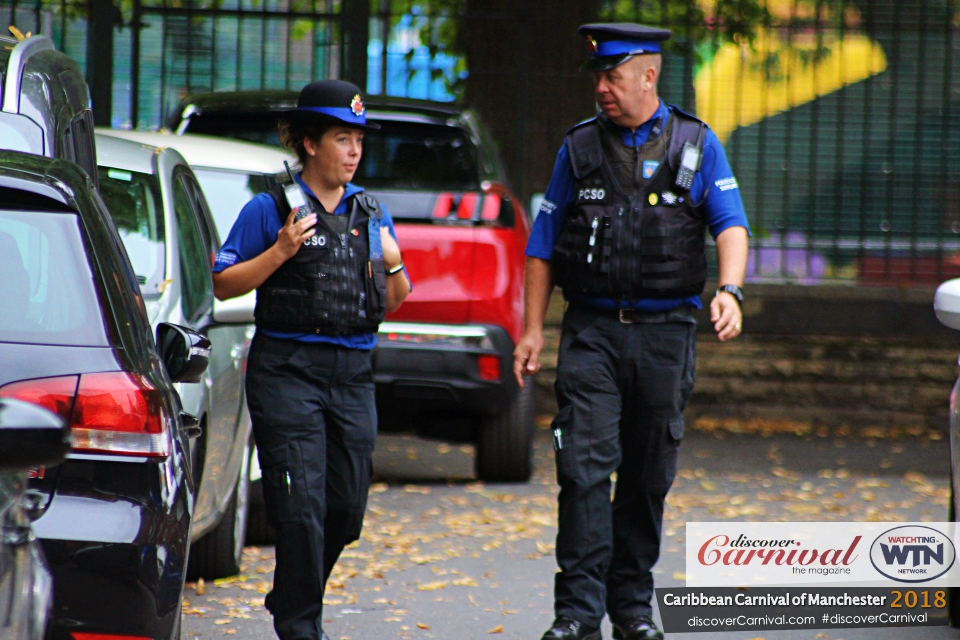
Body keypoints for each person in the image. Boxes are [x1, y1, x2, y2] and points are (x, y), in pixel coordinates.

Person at [513, 23, 750, 640]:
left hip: (667, 333)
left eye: (612, 77)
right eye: (597, 77)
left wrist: (729, 290)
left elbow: (731, 225)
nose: (601, 89)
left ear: (648, 76)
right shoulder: (579, 149)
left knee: (646, 476)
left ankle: (633, 610)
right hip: (591, 331)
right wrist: (533, 329)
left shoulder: (698, 144)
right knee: (583, 471)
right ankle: (576, 615)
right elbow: (542, 245)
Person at [211, 79, 411, 640]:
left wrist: (394, 264)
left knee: (345, 512)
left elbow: (394, 299)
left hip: (352, 373)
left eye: (358, 140)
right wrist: (279, 252)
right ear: (308, 144)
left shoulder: (371, 211)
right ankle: (302, 627)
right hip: (287, 370)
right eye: (342, 138)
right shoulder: (270, 206)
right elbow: (223, 284)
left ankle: (292, 594)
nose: (354, 150)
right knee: (300, 510)